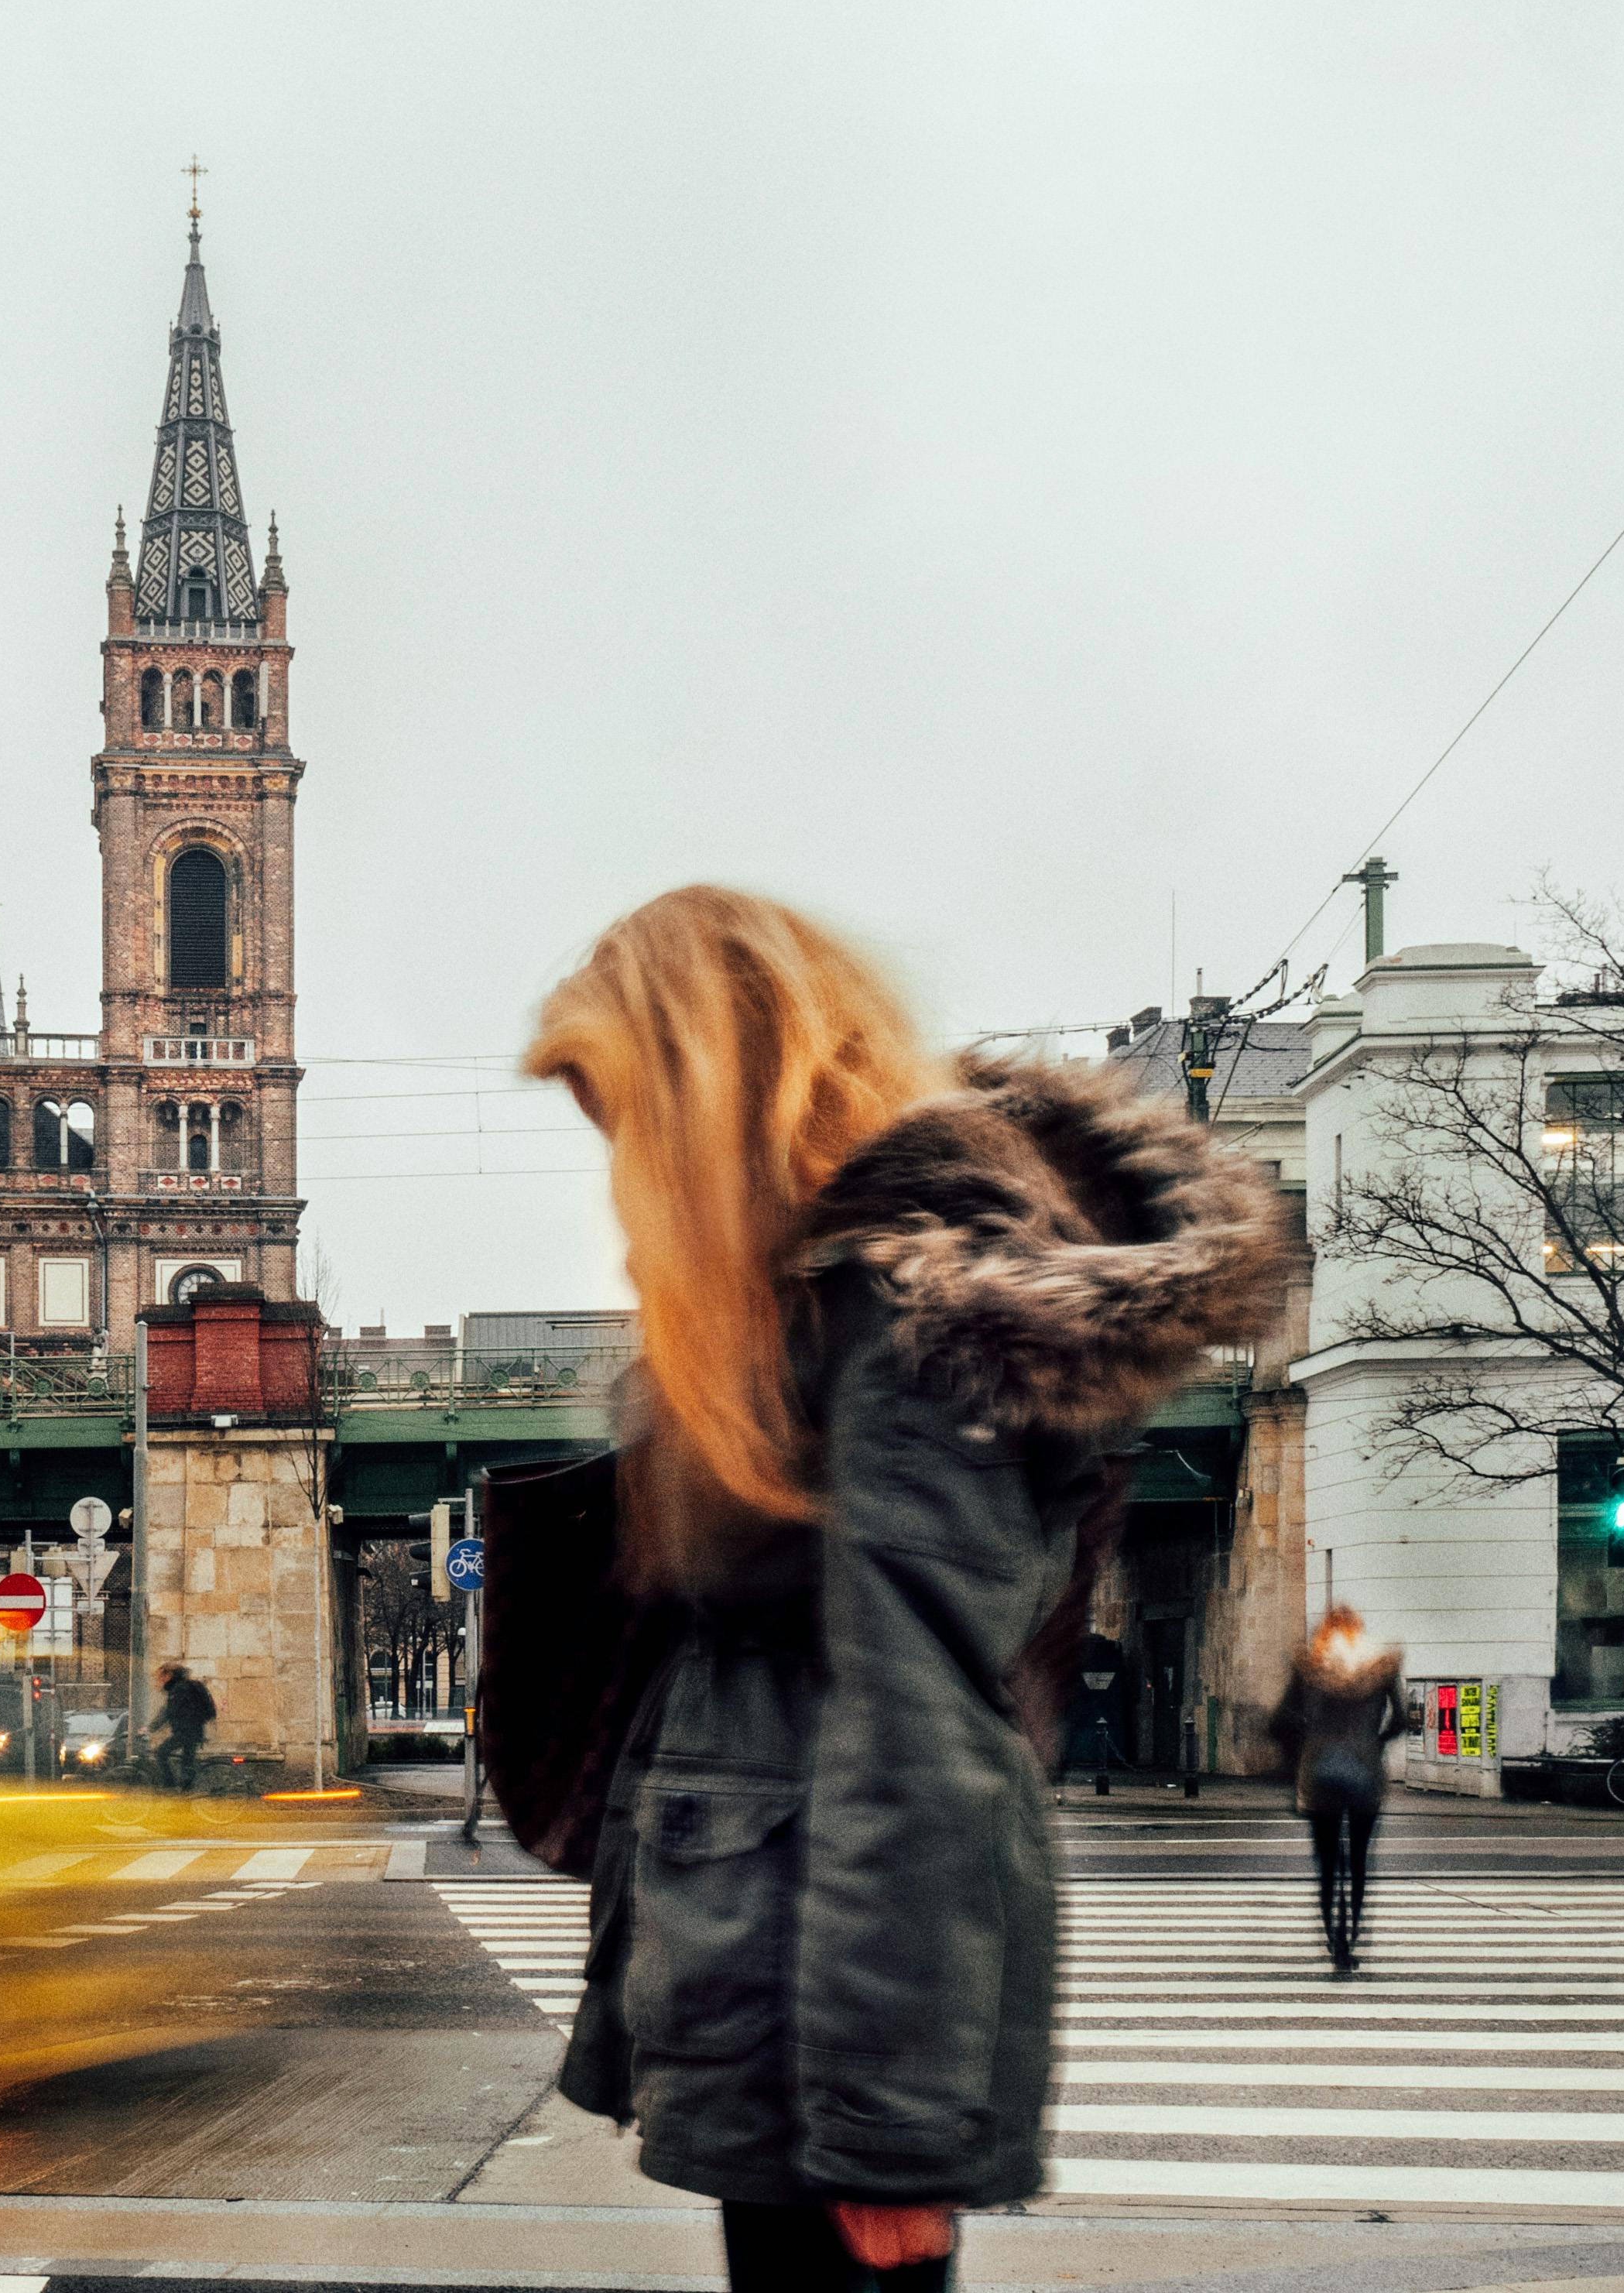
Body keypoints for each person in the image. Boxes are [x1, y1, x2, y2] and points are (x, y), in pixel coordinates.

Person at [522, 888, 1285, 2293]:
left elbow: (920, 1732)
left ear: (710, 1105)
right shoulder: (817, 1307)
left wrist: (888, 2139)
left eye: (629, 1125)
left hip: (829, 2035)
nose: (622, 1174)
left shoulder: (896, 1322)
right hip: (782, 2000)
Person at [1269, 1608, 1403, 1973]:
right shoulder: (1382, 1666)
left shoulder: (1309, 1667)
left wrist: (1306, 1740)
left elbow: (1280, 1719)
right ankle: (1353, 1939)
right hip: (1365, 1772)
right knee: (1359, 1861)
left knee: (1327, 1864)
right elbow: (1401, 1719)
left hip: (1319, 1773)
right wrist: (1373, 1743)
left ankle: (1333, 1940)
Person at [151, 1662, 216, 1792]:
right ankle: (186, 1790)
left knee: (161, 1753)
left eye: (161, 1677)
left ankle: (169, 1786)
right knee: (187, 1763)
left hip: (186, 1732)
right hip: (195, 1731)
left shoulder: (178, 1689)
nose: (160, 1681)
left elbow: (168, 1713)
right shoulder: (186, 1686)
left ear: (169, 1675)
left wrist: (151, 1728)